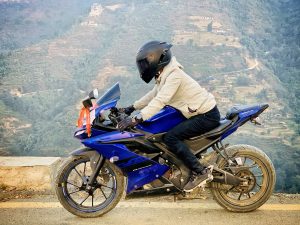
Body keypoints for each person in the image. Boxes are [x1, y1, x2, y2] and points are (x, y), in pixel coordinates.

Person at [118, 41, 220, 191]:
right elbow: (153, 95)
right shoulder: (165, 74)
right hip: (195, 113)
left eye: (146, 63)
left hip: (207, 115)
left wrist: (137, 118)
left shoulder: (175, 76)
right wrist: (131, 108)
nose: (144, 67)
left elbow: (161, 100)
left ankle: (200, 171)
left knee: (171, 138)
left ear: (157, 59)